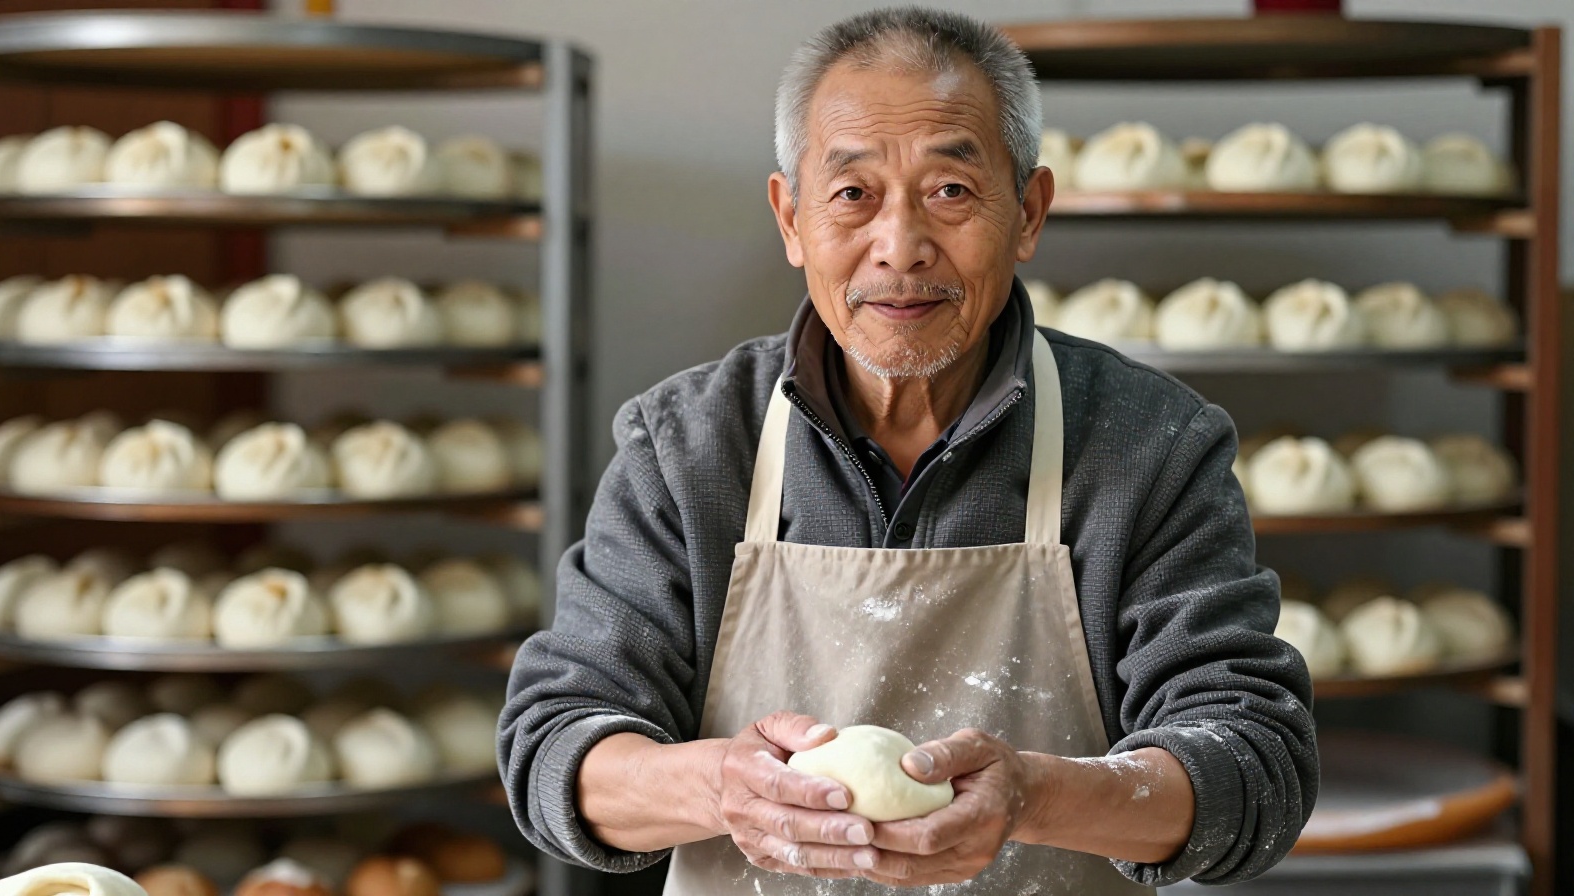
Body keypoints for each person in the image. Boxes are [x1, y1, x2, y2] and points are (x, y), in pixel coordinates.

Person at [502, 7, 1316, 893]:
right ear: (791, 218)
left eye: (951, 192)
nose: (901, 247)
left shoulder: (1148, 446)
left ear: (1030, 213)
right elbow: (556, 746)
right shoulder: (688, 447)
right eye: (853, 195)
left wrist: (1035, 798)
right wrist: (718, 787)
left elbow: (1253, 763)